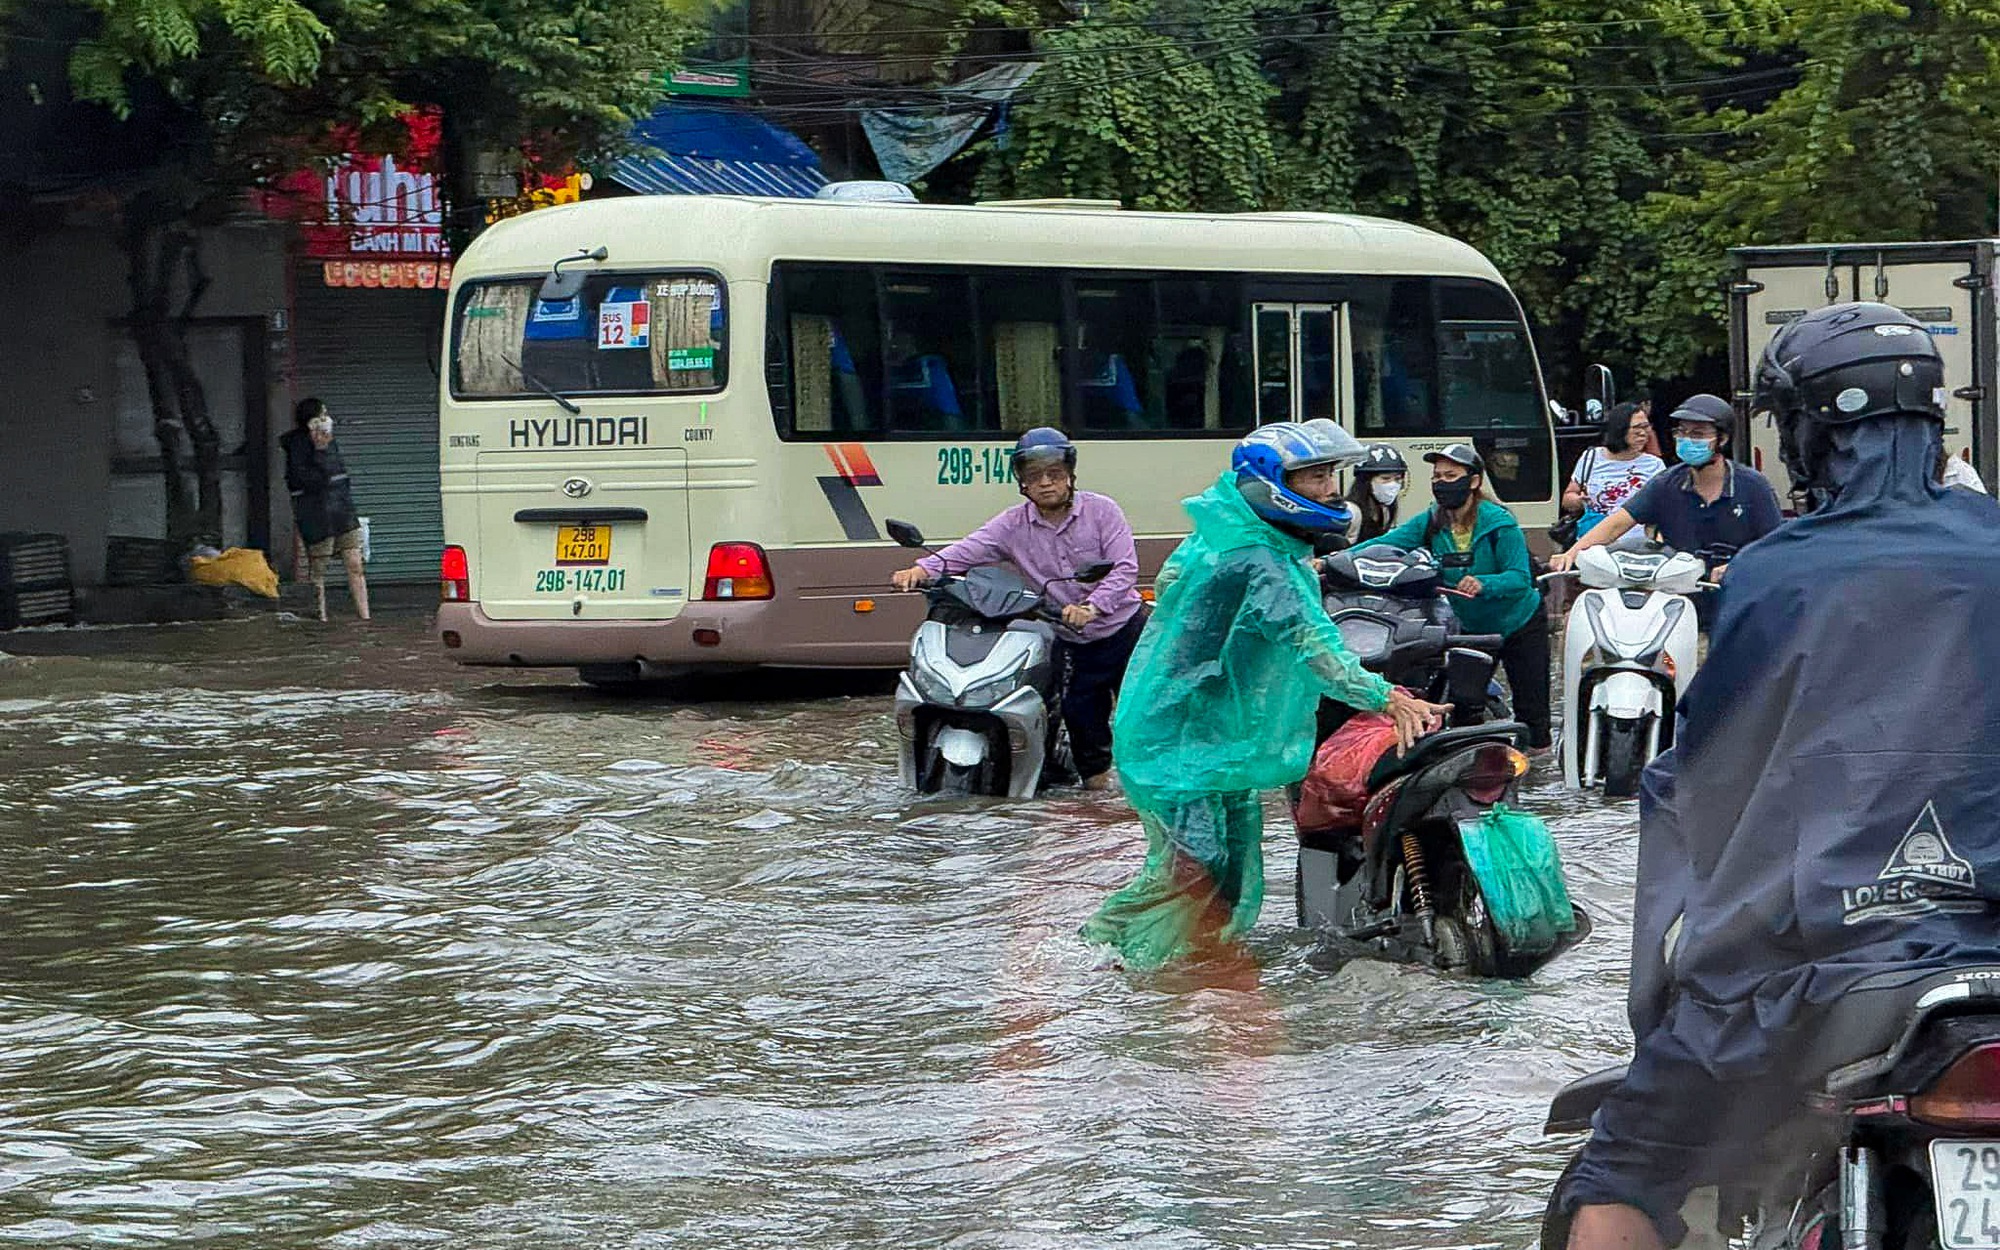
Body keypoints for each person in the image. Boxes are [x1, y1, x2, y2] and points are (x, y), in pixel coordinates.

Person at [1559, 303, 2000, 1250]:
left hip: (1825, 972)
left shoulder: (1779, 573)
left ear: (1807, 436)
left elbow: (1711, 773)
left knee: (1615, 1183)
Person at [1079, 421, 1447, 971]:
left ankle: (1194, 970)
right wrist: (1388, 698)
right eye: (1316, 477)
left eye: (1330, 475)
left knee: (1227, 867)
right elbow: (1312, 646)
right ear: (1273, 485)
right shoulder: (1256, 556)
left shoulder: (1232, 531)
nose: (1330, 490)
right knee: (1196, 862)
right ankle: (1104, 947)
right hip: (1179, 735)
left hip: (1208, 734)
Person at [891, 428, 1142, 791]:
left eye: (1053, 473)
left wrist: (1092, 606)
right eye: (1033, 476)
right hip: (1071, 640)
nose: (1045, 483)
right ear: (1022, 483)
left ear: (1070, 475)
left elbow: (1124, 569)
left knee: (1146, 717)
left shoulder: (1103, 511)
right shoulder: (1012, 524)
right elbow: (969, 549)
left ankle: (1154, 797)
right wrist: (921, 569)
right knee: (1080, 718)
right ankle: (1098, 797)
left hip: (1125, 631)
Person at [1351, 443, 1551, 754]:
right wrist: (1334, 559)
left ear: (1473, 482)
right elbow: (1389, 542)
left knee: (1533, 711)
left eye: (1451, 475)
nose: (1442, 483)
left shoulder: (1500, 522)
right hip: (1470, 626)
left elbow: (1519, 578)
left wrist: (1484, 583)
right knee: (1463, 704)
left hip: (1519, 623)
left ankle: (1537, 772)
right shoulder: (1431, 520)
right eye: (1437, 476)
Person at [1549, 394, 1782, 582]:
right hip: (1679, 598)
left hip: (1739, 598)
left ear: (1721, 439)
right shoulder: (1666, 484)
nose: (1687, 439)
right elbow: (1616, 524)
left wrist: (1736, 567)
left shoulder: (1753, 486)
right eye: (1682, 432)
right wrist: (1571, 553)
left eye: (1698, 434)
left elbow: (1775, 546)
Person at [284, 398, 370, 622]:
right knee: (319, 572)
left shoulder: (330, 441)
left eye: (326, 415)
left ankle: (365, 617)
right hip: (318, 517)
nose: (326, 420)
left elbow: (339, 474)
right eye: (321, 415)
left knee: (355, 565)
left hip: (343, 512)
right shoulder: (297, 446)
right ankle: (320, 618)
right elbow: (307, 480)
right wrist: (319, 451)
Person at [1561, 402, 1665, 538]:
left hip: (1638, 545)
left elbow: (1665, 507)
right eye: (1636, 428)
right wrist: (1578, 501)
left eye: (1646, 427)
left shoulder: (1654, 465)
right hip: (1594, 543)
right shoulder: (1591, 457)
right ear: (1619, 429)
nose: (1643, 433)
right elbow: (1567, 498)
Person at [1343, 443, 1408, 542]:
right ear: (1366, 480)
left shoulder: (1385, 511)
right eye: (1385, 478)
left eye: (1398, 479)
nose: (1393, 484)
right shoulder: (1351, 513)